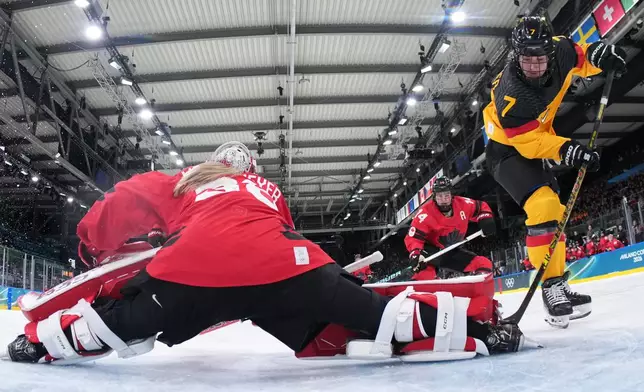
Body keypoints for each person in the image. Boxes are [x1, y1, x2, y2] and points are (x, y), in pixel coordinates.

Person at [4, 142, 529, 365]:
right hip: (284, 270)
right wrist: (333, 287)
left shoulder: (186, 181)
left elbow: (123, 200)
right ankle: (484, 332)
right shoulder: (268, 190)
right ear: (251, 168)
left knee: (119, 323)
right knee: (370, 312)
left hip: (192, 274)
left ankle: (39, 346)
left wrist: (93, 244)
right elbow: (281, 238)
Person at [482, 16, 626, 327]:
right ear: (516, 56)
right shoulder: (512, 94)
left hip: (538, 136)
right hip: (507, 148)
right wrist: (566, 149)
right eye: (526, 59)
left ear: (549, 50)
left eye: (539, 58)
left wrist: (598, 56)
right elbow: (530, 145)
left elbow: (581, 56)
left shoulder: (560, 50)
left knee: (556, 211)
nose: (534, 65)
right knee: (543, 204)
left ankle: (558, 282)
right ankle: (550, 289)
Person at [404, 176, 496, 281]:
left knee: (484, 264)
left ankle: (477, 290)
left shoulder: (463, 204)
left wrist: (486, 219)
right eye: (440, 196)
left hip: (452, 251)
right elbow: (413, 238)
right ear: (434, 197)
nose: (443, 200)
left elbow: (481, 207)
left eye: (446, 195)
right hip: (431, 253)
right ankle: (417, 289)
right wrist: (415, 254)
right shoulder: (425, 213)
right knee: (424, 275)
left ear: (452, 195)